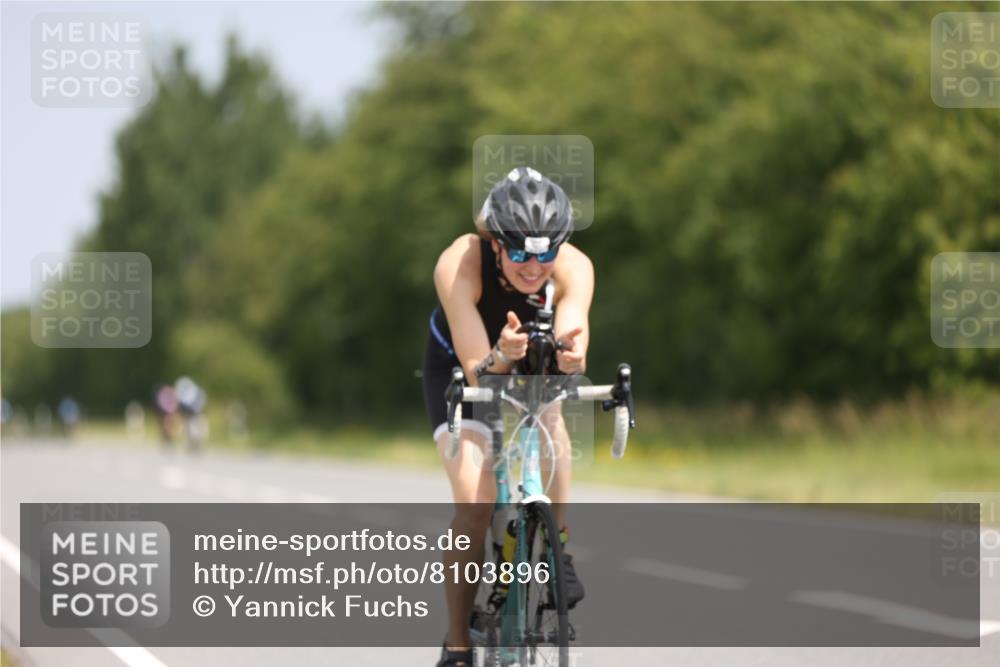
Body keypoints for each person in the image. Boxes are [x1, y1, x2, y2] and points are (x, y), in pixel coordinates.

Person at [422, 167, 593, 666]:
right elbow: (478, 368)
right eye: (519, 253)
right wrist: (500, 354)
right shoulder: (459, 262)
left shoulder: (574, 265)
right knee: (475, 503)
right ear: (495, 243)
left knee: (554, 415)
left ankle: (558, 547)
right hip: (462, 366)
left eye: (545, 252)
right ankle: (457, 644)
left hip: (527, 357)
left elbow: (574, 330)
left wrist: (570, 356)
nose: (534, 267)